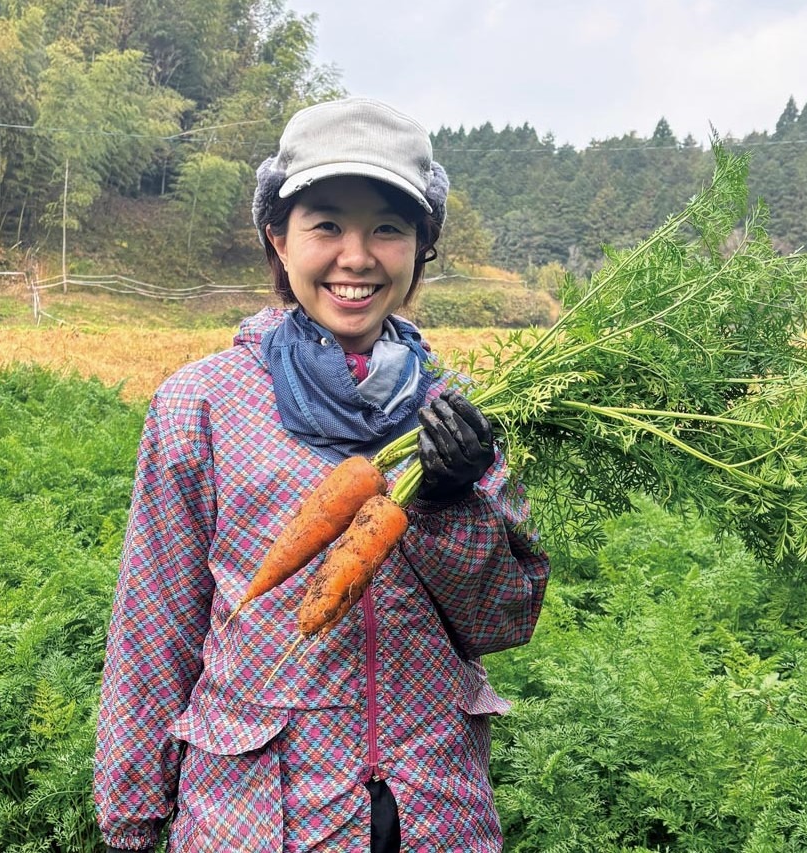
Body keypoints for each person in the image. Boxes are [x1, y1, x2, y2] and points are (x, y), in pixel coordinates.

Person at [94, 96, 551, 853]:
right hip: (254, 819)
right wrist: (131, 820)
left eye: (388, 229)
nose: (357, 257)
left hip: (436, 813)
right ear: (278, 238)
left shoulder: (464, 411)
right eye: (327, 225)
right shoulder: (202, 404)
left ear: (421, 248)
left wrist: (449, 504)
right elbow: (153, 629)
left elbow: (502, 621)